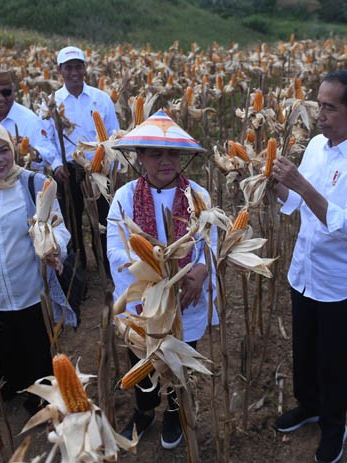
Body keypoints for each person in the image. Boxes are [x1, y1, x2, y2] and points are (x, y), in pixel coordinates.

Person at [270, 70, 347, 463]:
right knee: (304, 352)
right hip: (304, 272)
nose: (318, 114)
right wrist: (273, 182)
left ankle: (334, 427)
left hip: (340, 283)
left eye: (329, 108)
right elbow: (296, 202)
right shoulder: (318, 146)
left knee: (335, 361)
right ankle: (309, 406)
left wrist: (301, 184)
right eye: (318, 104)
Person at [107, 111, 216, 449]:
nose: (166, 161)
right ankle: (144, 410)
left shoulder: (197, 195)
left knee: (181, 357)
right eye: (156, 154)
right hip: (145, 299)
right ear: (140, 156)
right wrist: (152, 274)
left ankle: (174, 411)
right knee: (142, 357)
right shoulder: (125, 197)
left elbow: (209, 242)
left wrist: (200, 270)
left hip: (186, 298)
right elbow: (115, 248)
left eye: (172, 153)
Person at [0, 120, 74, 414]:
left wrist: (54, 248)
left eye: (4, 150)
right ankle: (13, 387)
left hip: (31, 287)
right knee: (4, 351)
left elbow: (57, 228)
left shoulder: (34, 184)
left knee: (37, 348)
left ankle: (41, 395)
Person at [46, 46, 120, 270]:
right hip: (68, 171)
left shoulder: (101, 99)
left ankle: (106, 265)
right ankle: (79, 267)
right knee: (71, 220)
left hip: (100, 169)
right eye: (68, 67)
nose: (74, 72)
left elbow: (114, 134)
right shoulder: (52, 102)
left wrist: (114, 169)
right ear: (60, 70)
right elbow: (47, 139)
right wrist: (56, 165)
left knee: (105, 219)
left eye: (78, 67)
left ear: (85, 69)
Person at [0, 68, 57, 172]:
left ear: (13, 90)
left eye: (6, 92)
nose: (1, 98)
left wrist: (31, 151)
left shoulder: (30, 119)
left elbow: (50, 154)